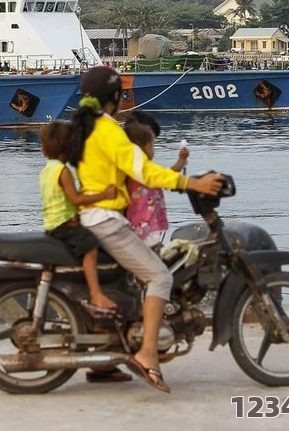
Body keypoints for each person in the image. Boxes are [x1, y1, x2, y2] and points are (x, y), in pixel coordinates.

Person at [69, 66, 223, 393]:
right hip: (106, 220)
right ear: (114, 97)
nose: (124, 99)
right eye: (121, 94)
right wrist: (191, 182)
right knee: (160, 277)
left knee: (126, 285)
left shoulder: (84, 127)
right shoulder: (108, 130)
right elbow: (146, 173)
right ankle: (147, 354)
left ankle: (106, 363)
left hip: (95, 217)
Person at [40, 121, 118, 313]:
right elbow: (75, 199)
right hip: (64, 225)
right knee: (91, 247)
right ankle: (96, 293)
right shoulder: (63, 171)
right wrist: (105, 195)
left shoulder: (47, 170)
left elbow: (63, 197)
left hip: (51, 223)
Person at [123, 111, 188, 250]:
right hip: (143, 226)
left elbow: (164, 175)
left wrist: (181, 161)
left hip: (143, 225)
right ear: (146, 147)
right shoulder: (139, 170)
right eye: (153, 144)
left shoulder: (137, 168)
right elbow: (164, 177)